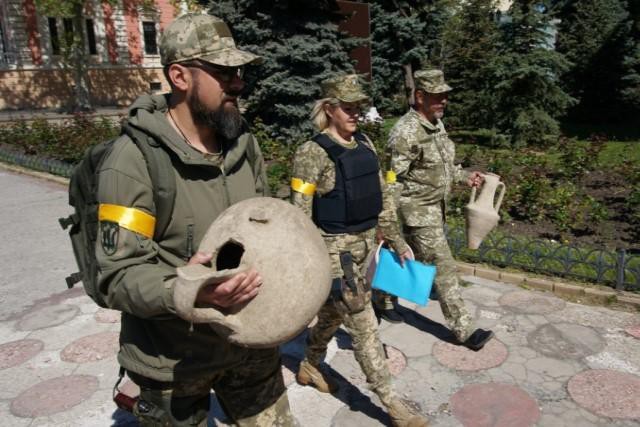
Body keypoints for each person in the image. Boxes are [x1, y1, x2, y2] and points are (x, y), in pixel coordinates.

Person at [95, 13, 295, 426]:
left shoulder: (244, 146)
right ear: (180, 76)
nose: (238, 82)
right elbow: (116, 275)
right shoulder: (131, 162)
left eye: (238, 71)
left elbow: (264, 227)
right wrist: (192, 292)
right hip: (172, 361)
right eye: (224, 72)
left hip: (248, 346)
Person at [290, 74, 429, 427]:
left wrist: (397, 241)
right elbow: (300, 214)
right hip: (336, 255)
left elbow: (381, 199)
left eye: (358, 107)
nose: (354, 113)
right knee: (365, 326)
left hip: (368, 248)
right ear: (328, 109)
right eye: (347, 107)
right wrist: (308, 262)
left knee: (332, 316)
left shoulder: (365, 143)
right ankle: (392, 404)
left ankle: (309, 364)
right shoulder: (312, 152)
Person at [387, 69, 494, 351]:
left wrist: (464, 176)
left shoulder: (436, 124)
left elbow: (443, 166)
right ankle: (465, 330)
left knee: (409, 260)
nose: (444, 101)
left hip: (435, 209)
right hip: (417, 212)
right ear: (420, 96)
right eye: (438, 96)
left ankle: (381, 299)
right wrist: (387, 222)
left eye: (445, 96)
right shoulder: (406, 133)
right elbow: (392, 179)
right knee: (444, 268)